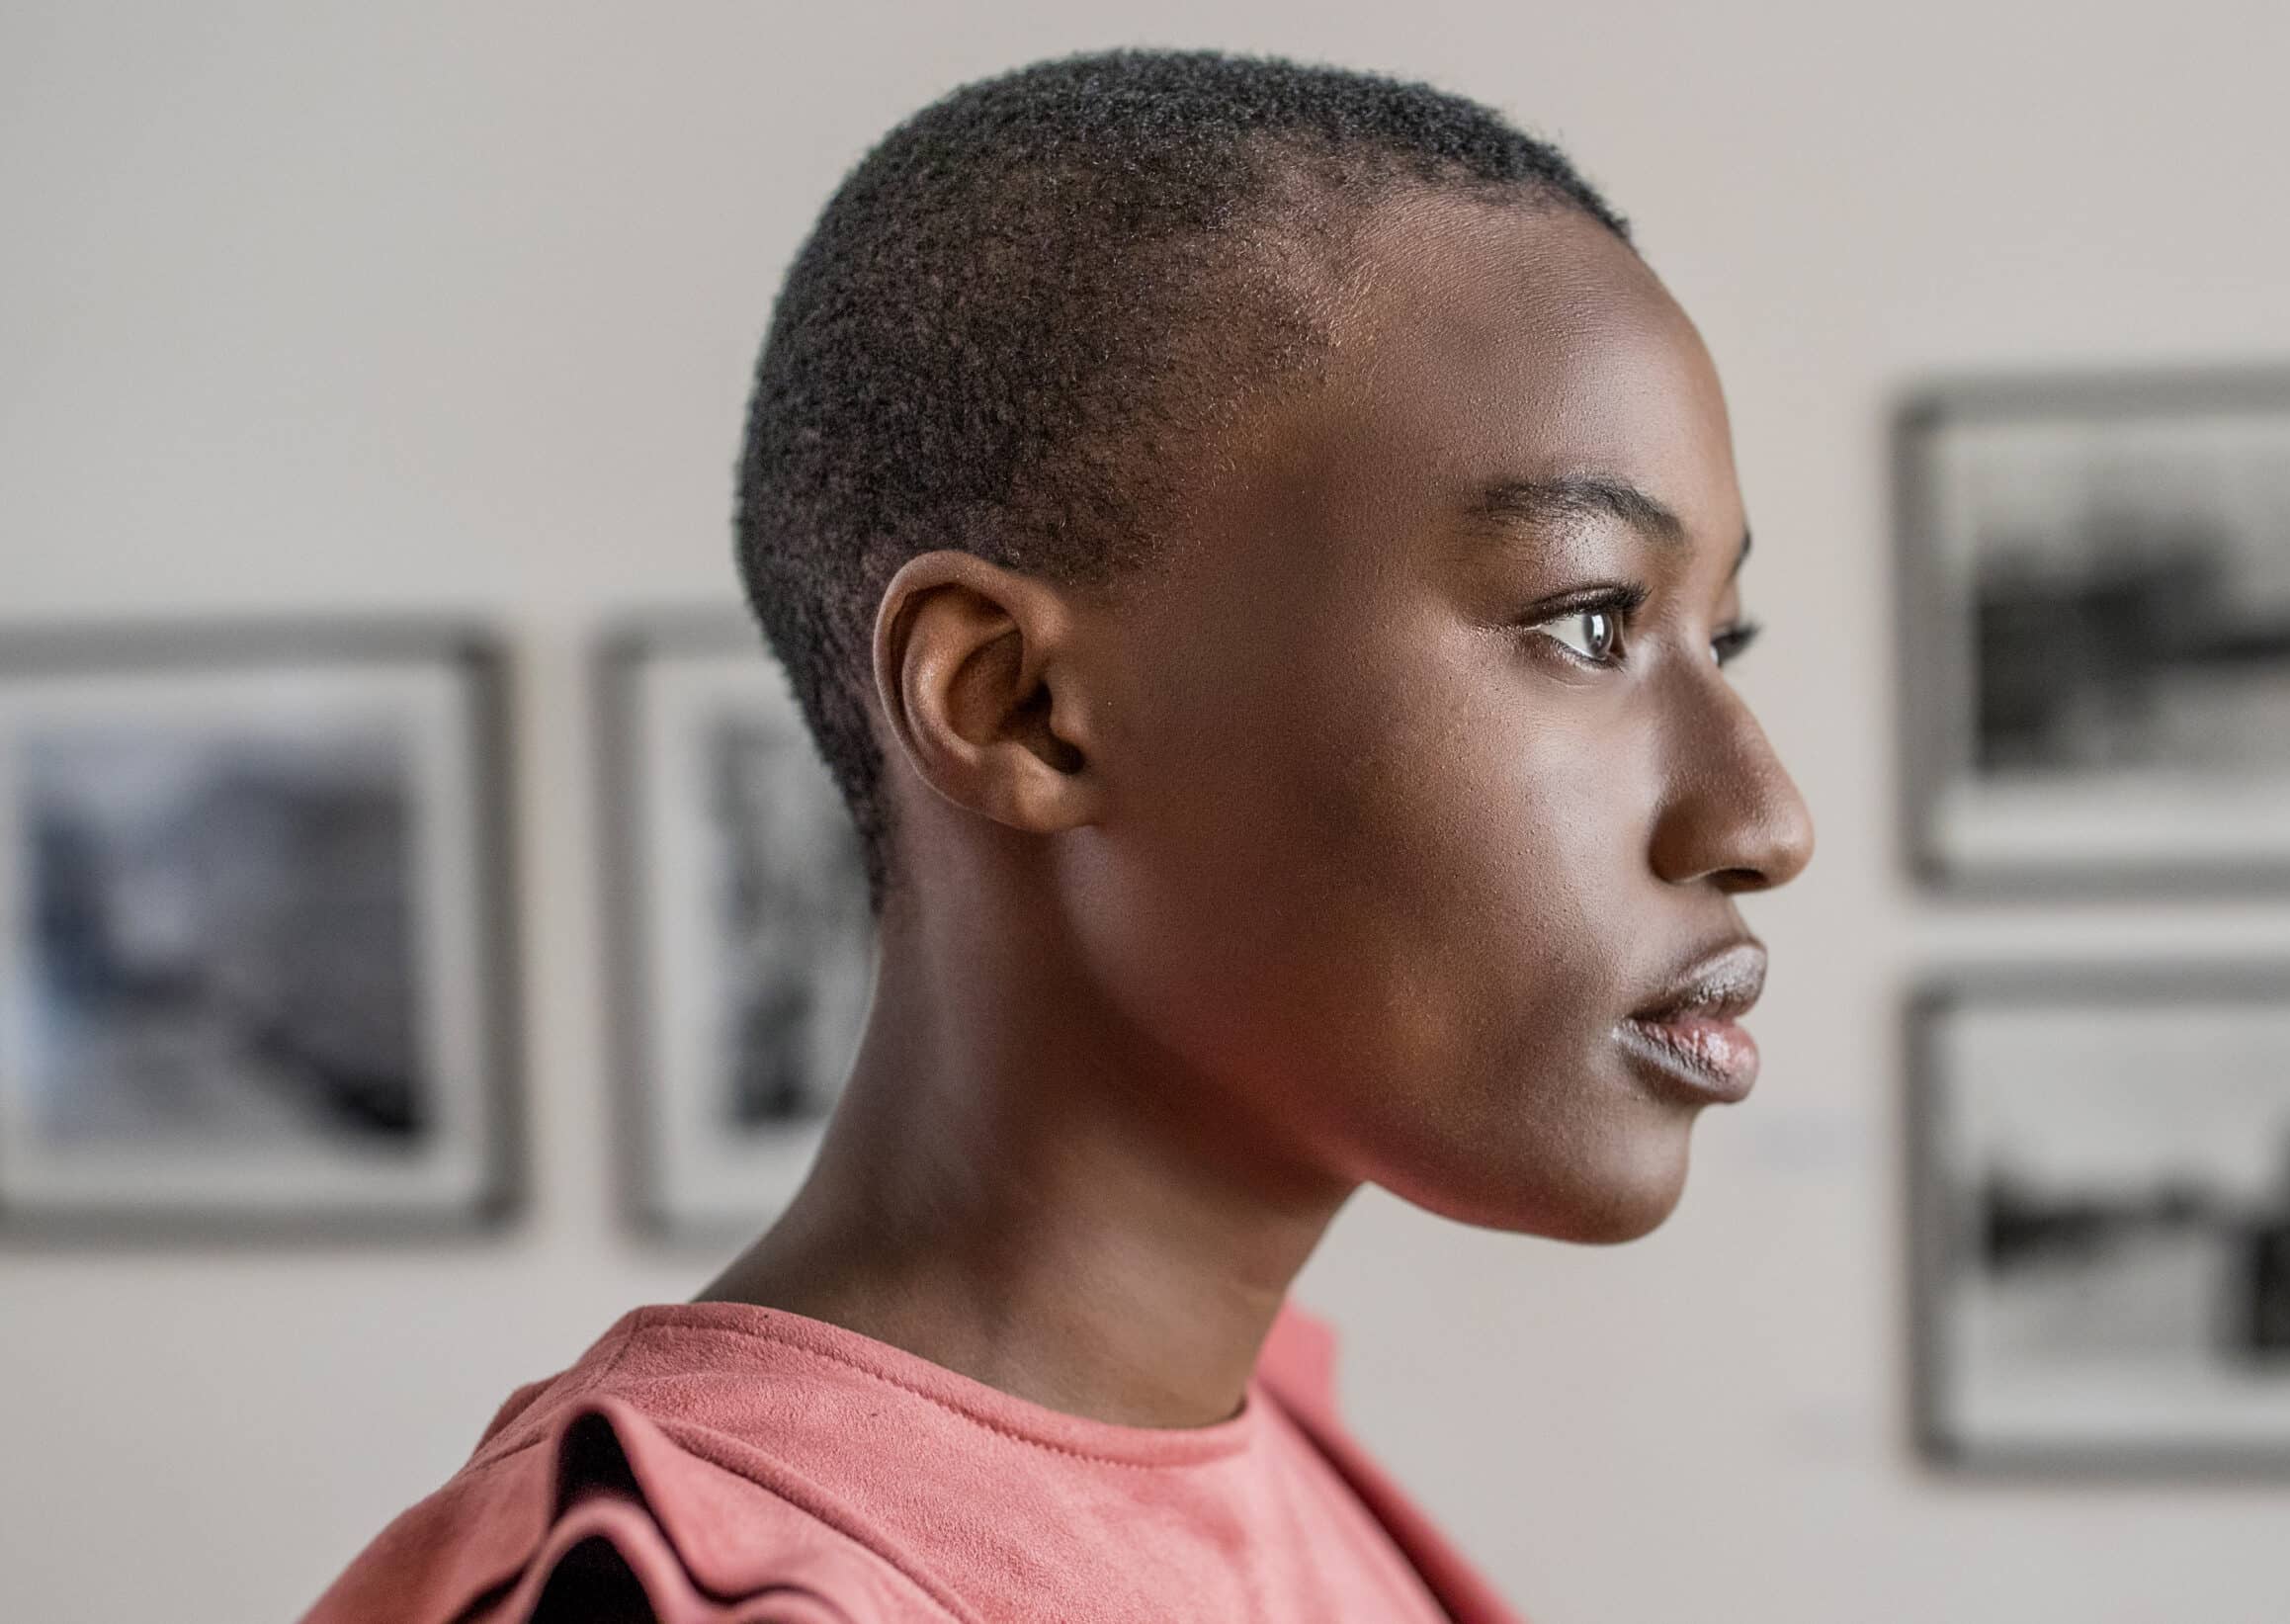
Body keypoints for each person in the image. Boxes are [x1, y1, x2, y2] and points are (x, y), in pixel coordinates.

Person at [302, 46, 1813, 1624]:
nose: (1766, 820)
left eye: (1726, 641)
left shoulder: (1282, 1474)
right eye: (1587, 621)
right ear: (1016, 704)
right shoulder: (684, 1588)